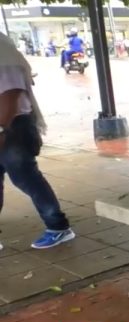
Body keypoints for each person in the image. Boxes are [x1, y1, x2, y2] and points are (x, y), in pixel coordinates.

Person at [0, 32, 76, 250]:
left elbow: (12, 92)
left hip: (11, 126)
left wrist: (1, 128)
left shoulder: (2, 52)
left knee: (27, 179)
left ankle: (58, 227)